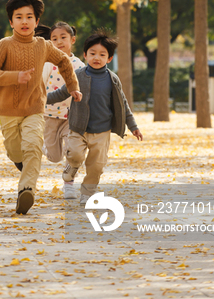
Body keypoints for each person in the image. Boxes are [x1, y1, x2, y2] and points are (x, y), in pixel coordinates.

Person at [0, 0, 82, 215]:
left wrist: (73, 87)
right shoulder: (4, 44)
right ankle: (22, 165)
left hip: (35, 108)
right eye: (19, 17)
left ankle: (26, 190)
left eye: (29, 17)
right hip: (8, 110)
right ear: (11, 21)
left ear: (37, 21)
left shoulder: (43, 45)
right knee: (15, 150)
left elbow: (65, 62)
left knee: (33, 146)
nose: (24, 21)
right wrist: (15, 77)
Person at [47, 28, 143, 204]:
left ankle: (87, 192)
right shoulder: (78, 76)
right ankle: (71, 170)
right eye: (92, 53)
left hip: (102, 131)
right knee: (75, 155)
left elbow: (123, 105)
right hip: (78, 128)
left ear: (109, 58)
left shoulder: (112, 79)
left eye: (102, 54)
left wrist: (133, 126)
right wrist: (40, 100)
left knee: (96, 166)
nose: (96, 58)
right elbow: (61, 94)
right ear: (85, 55)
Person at [42, 22, 84, 166]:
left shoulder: (79, 65)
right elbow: (40, 85)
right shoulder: (48, 63)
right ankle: (43, 146)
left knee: (72, 150)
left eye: (63, 37)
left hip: (70, 117)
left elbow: (83, 88)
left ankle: (69, 180)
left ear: (72, 40)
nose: (59, 42)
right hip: (49, 116)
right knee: (55, 157)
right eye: (54, 39)